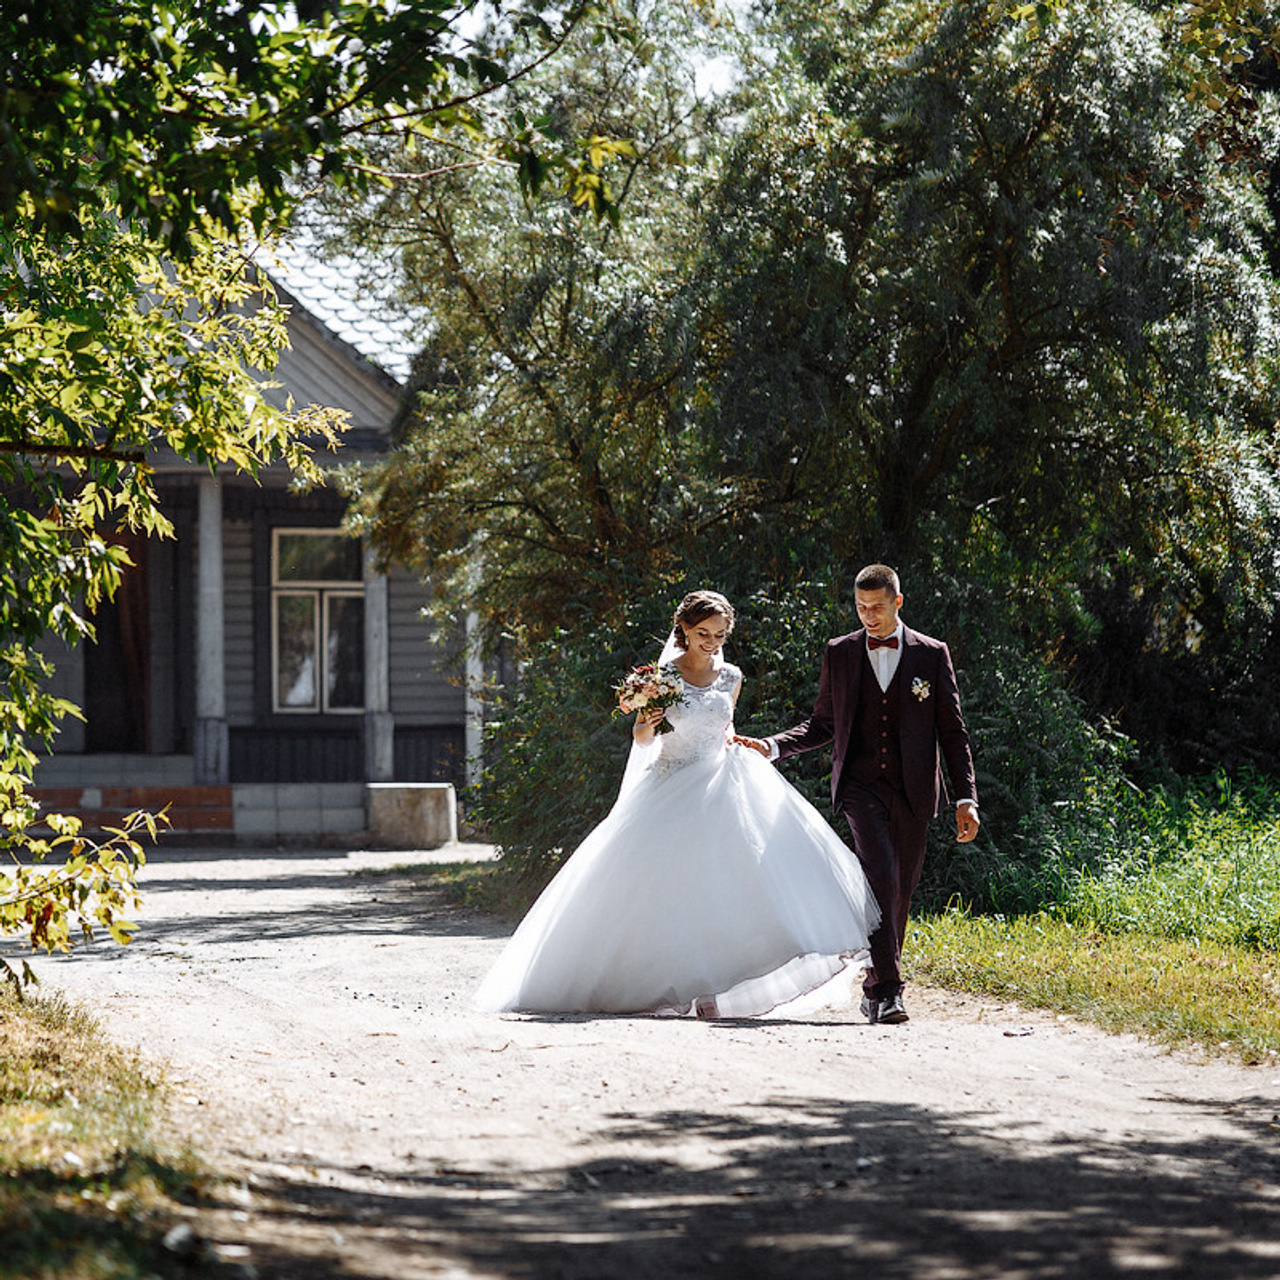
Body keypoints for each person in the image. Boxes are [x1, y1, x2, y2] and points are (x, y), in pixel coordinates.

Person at [474, 589, 881, 1018]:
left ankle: (719, 990)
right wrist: (645, 723)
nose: (712, 642)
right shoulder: (662, 677)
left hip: (726, 780)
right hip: (672, 782)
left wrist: (737, 743)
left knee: (736, 886)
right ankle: (654, 984)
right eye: (704, 633)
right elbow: (643, 739)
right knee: (665, 891)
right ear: (684, 630)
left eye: (721, 635)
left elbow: (724, 724)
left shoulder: (732, 676)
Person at [738, 565, 980, 1026]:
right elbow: (823, 724)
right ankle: (890, 991)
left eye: (877, 607)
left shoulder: (932, 654)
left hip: (913, 791)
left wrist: (966, 797)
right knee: (880, 878)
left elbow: (953, 732)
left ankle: (874, 988)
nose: (868, 616)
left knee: (900, 891)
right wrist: (772, 746)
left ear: (898, 602)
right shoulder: (841, 653)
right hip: (859, 787)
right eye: (860, 607)